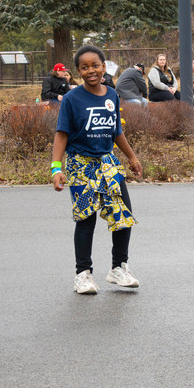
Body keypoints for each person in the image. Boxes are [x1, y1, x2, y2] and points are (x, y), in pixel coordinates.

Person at [51, 44, 143, 294]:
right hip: (81, 165)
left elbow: (117, 132)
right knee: (86, 219)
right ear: (78, 71)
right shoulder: (72, 99)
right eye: (84, 67)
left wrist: (132, 158)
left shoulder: (112, 95)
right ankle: (83, 274)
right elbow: (61, 134)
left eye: (95, 65)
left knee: (123, 214)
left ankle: (118, 268)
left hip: (108, 163)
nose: (91, 70)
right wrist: (55, 168)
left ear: (103, 67)